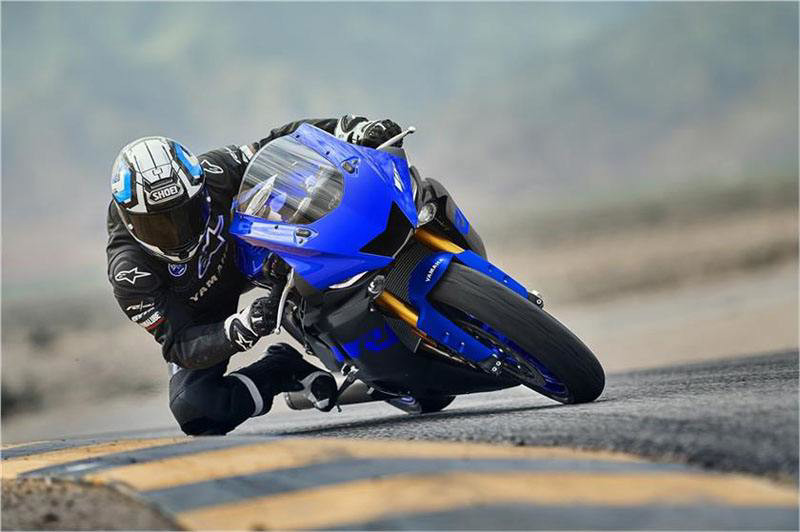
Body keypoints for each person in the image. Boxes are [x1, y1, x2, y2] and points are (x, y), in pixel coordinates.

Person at [106, 116, 403, 435]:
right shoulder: (130, 275)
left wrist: (349, 129)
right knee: (195, 409)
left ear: (200, 191)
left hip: (251, 247)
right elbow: (179, 343)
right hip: (201, 309)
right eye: (159, 226)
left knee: (292, 193)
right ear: (130, 221)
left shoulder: (213, 171)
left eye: (185, 213)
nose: (179, 232)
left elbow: (280, 143)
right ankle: (281, 368)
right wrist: (240, 327)